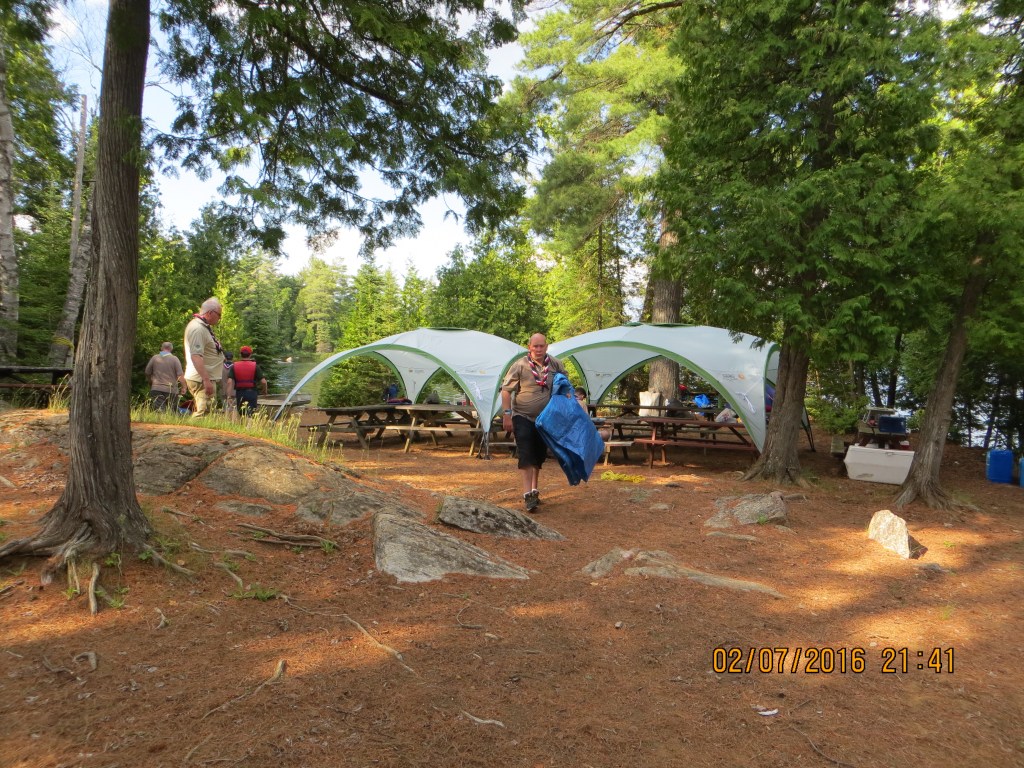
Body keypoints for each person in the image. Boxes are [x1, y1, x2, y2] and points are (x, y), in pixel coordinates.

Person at [501, 333, 567, 512]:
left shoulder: (555, 364)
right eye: (535, 346)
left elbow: (564, 386)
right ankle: (527, 494)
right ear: (529, 347)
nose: (538, 349)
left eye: (541, 346)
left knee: (538, 455)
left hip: (546, 418)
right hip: (522, 416)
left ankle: (534, 490)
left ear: (546, 346)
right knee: (526, 453)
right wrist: (507, 414)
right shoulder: (520, 365)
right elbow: (506, 391)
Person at [183, 297, 225, 417]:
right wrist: (206, 380)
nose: (219, 318)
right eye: (219, 315)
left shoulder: (203, 327)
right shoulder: (197, 329)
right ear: (210, 313)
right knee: (203, 414)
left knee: (208, 413)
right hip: (201, 379)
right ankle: (189, 430)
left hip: (205, 378)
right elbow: (196, 356)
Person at [144, 342, 187, 411]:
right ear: (171, 349)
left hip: (156, 388)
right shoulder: (175, 359)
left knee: (159, 411)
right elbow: (180, 375)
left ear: (161, 348)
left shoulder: (155, 358)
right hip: (171, 390)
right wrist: (184, 387)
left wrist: (150, 381)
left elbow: (147, 372)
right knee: (172, 411)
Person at [228, 345, 268, 418]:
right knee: (250, 414)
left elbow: (229, 382)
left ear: (240, 354)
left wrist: (229, 396)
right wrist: (264, 391)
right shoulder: (255, 366)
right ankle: (249, 424)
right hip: (252, 393)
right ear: (250, 354)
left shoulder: (234, 366)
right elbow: (263, 382)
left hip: (240, 393)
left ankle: (243, 424)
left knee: (242, 413)